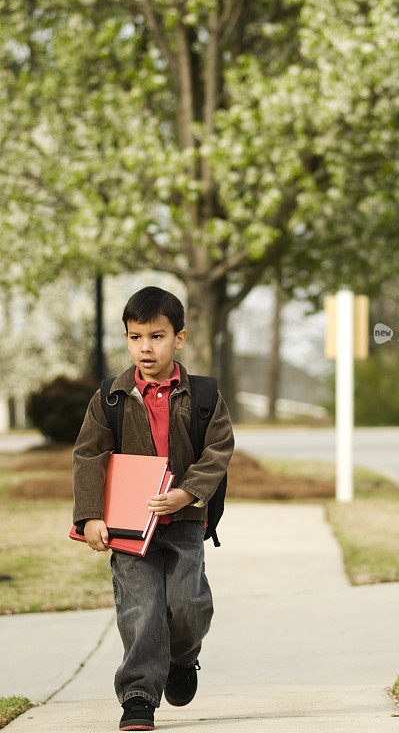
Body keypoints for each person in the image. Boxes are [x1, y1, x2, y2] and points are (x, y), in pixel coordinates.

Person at [72, 286, 234, 731]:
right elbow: (88, 455)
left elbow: (219, 449)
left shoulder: (203, 395)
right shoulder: (110, 397)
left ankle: (183, 656)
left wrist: (188, 492)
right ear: (127, 339)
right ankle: (140, 694)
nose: (145, 347)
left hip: (183, 520)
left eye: (157, 336)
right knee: (140, 608)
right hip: (128, 524)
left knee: (188, 603)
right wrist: (89, 515)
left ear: (179, 338)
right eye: (135, 337)